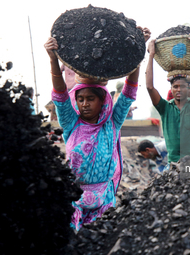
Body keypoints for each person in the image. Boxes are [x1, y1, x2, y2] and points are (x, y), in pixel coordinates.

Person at [44, 27, 151, 231]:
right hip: (75, 196)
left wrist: (139, 52)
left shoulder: (112, 123)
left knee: (100, 240)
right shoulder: (71, 123)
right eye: (81, 99)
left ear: (103, 101)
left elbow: (129, 93)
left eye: (90, 99)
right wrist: (52, 58)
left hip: (104, 198)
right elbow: (59, 94)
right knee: (74, 238)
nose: (84, 104)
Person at [146, 34, 190, 164]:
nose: (179, 90)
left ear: (189, 88)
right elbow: (150, 87)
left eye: (183, 86)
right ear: (171, 89)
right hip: (173, 164)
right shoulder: (165, 108)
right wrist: (151, 55)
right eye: (175, 87)